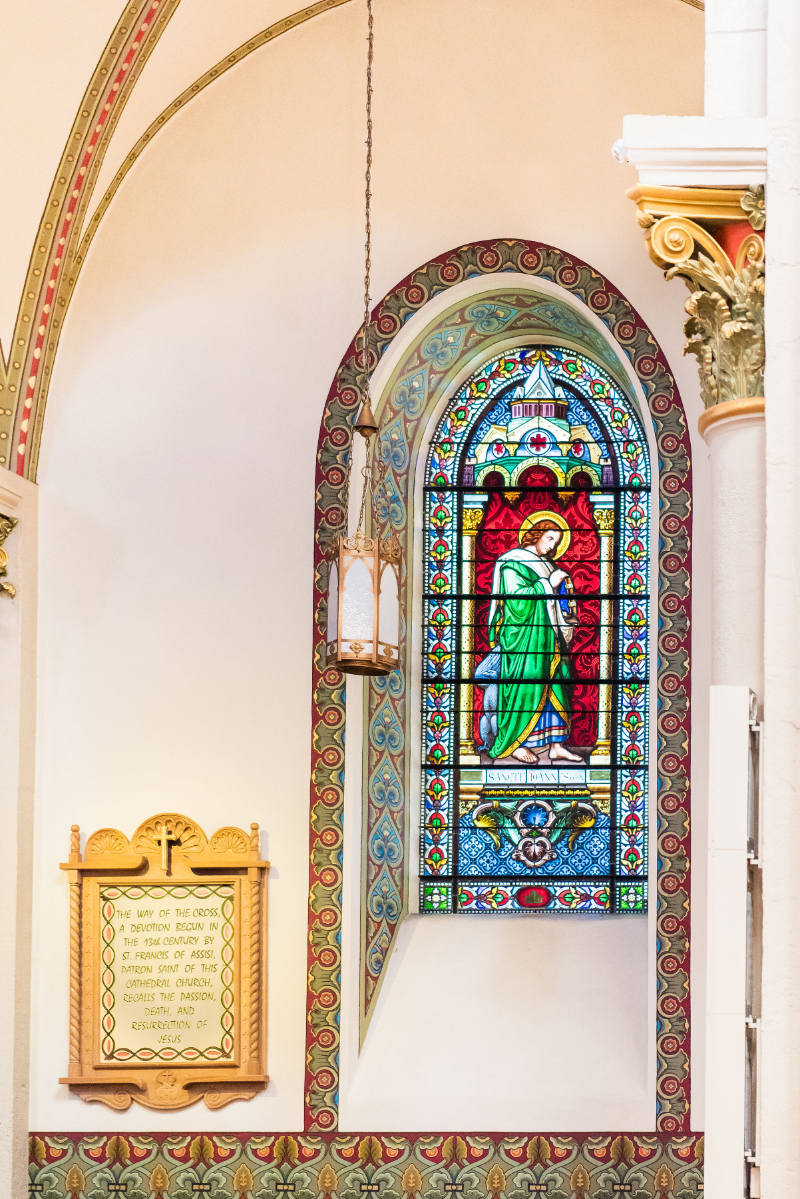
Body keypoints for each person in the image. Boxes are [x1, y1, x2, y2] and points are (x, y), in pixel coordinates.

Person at [485, 518, 582, 764]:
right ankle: (516, 744)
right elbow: (516, 600)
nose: (552, 546)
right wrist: (549, 584)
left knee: (555, 685)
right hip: (522, 639)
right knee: (524, 689)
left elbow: (554, 601)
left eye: (556, 542)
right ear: (535, 534)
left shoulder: (547, 566)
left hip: (549, 637)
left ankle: (556, 744)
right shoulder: (512, 563)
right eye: (549, 538)